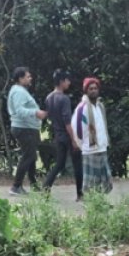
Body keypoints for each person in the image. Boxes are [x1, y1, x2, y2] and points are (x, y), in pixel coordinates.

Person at [42, 69, 82, 200]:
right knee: (77, 164)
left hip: (57, 135)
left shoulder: (48, 98)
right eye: (67, 80)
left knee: (59, 163)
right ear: (61, 82)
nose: (69, 83)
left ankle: (46, 187)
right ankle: (80, 193)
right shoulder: (64, 99)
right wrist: (74, 139)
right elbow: (67, 122)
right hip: (67, 135)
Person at [7, 66, 46, 195]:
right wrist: (36, 112)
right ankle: (16, 186)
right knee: (28, 156)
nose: (31, 78)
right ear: (20, 78)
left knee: (31, 156)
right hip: (24, 128)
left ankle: (33, 184)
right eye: (28, 76)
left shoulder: (20, 90)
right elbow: (20, 110)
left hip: (28, 127)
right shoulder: (18, 92)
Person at [72, 77, 112, 194]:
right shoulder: (82, 108)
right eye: (90, 89)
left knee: (104, 180)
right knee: (90, 183)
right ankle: (91, 205)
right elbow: (77, 129)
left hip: (102, 147)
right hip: (89, 149)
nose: (93, 91)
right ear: (86, 91)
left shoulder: (100, 106)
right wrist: (82, 144)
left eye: (95, 88)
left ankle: (100, 203)